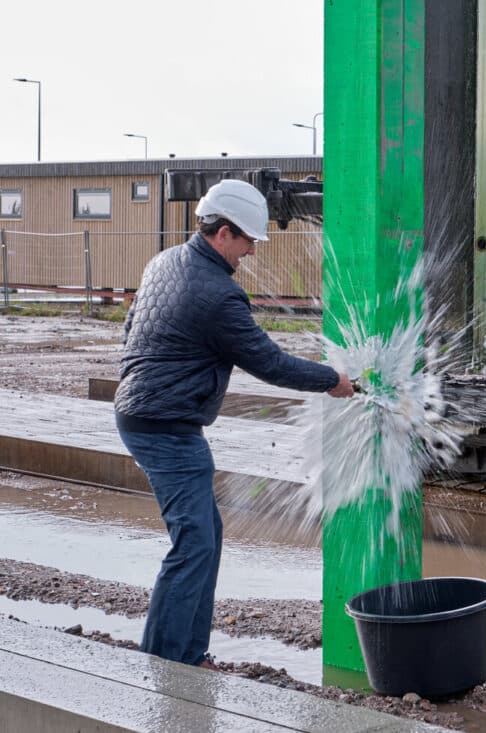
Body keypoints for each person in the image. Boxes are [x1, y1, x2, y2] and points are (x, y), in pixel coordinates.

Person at [114, 179, 354, 668]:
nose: (249, 253)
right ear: (222, 233)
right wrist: (333, 380)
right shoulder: (218, 294)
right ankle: (164, 660)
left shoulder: (163, 262)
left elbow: (131, 327)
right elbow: (270, 363)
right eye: (246, 242)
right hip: (167, 427)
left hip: (143, 414)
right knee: (194, 543)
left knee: (205, 536)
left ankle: (188, 652)